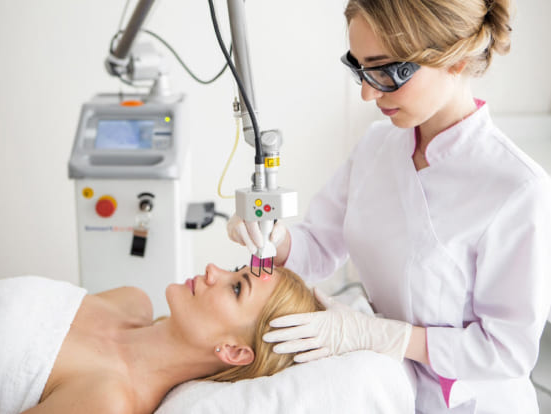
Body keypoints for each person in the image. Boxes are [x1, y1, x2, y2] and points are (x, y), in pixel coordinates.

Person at [228, 0, 551, 412]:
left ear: (455, 59)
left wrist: (383, 336)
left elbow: (507, 351)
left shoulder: (517, 187)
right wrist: (275, 240)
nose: (367, 93)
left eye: (387, 71)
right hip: (390, 387)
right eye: (360, 68)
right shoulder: (377, 145)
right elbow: (319, 247)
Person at [0, 264, 322, 414]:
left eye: (236, 288)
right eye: (236, 269)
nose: (213, 270)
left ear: (234, 351)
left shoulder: (107, 400)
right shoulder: (130, 300)